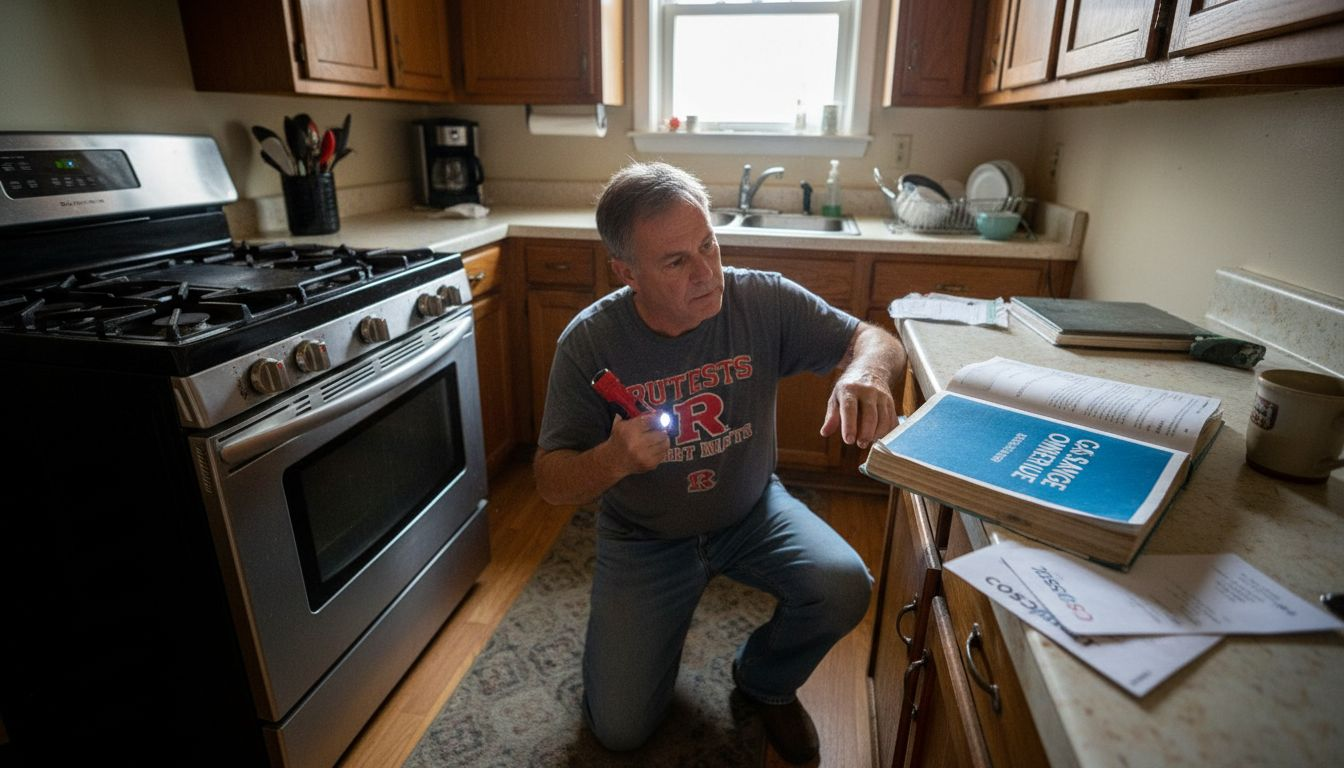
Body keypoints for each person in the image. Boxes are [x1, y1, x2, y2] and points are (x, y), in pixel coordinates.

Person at [533, 161, 906, 764]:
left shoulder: (761, 300)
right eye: (676, 261)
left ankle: (764, 680)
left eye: (708, 243)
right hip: (644, 537)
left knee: (844, 587)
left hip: (751, 509)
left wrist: (865, 371)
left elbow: (874, 338)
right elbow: (549, 480)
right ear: (626, 273)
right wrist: (610, 460)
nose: (707, 272)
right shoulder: (589, 342)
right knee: (620, 731)